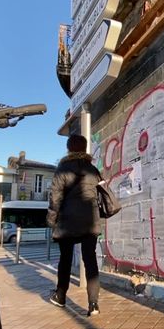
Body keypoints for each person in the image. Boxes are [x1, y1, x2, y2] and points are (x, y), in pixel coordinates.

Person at [46, 134, 101, 316]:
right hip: (89, 220)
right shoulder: (93, 169)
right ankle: (93, 304)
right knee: (90, 260)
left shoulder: (62, 169)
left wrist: (51, 219)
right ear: (85, 149)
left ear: (69, 148)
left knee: (66, 259)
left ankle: (60, 296)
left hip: (67, 221)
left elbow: (55, 198)